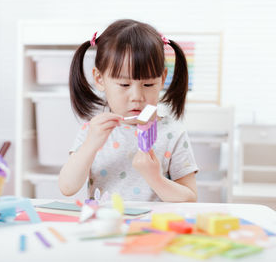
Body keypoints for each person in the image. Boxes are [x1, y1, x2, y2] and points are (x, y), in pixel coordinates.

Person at [59, 19, 198, 202]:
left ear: (162, 79)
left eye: (148, 84)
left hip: (154, 228)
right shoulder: (92, 131)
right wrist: (91, 145)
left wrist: (155, 178)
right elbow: (67, 187)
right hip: (105, 226)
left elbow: (190, 199)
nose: (137, 96)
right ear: (100, 79)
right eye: (124, 84)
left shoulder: (172, 133)